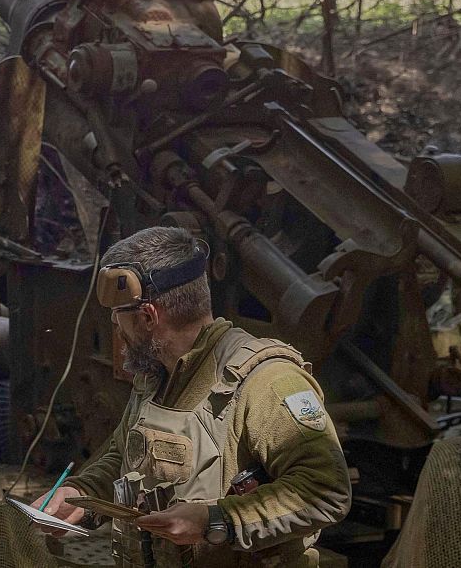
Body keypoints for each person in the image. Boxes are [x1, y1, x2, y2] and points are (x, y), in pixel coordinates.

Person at [32, 226, 351, 568]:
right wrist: (83, 496)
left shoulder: (267, 381)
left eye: (118, 316)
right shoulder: (156, 376)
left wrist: (215, 520)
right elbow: (126, 456)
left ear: (147, 317)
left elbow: (325, 490)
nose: (114, 325)